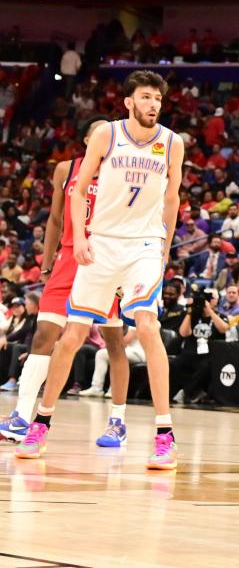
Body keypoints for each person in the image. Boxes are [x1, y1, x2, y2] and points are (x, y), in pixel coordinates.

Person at [17, 71, 183, 469]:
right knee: (72, 335)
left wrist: (164, 247)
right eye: (145, 97)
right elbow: (78, 188)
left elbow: (173, 197)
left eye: (157, 99)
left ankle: (164, 434)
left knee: (146, 325)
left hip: (143, 244)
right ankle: (41, 421)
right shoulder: (108, 134)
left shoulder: (171, 143)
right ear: (128, 102)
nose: (153, 105)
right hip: (102, 242)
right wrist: (84, 238)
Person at [0, 119, 132, 448]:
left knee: (113, 341)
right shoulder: (65, 170)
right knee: (44, 334)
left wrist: (125, 274)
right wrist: (47, 262)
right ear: (88, 139)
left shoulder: (124, 174)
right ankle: (21, 415)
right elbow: (56, 219)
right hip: (69, 259)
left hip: (107, 260)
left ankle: (118, 420)